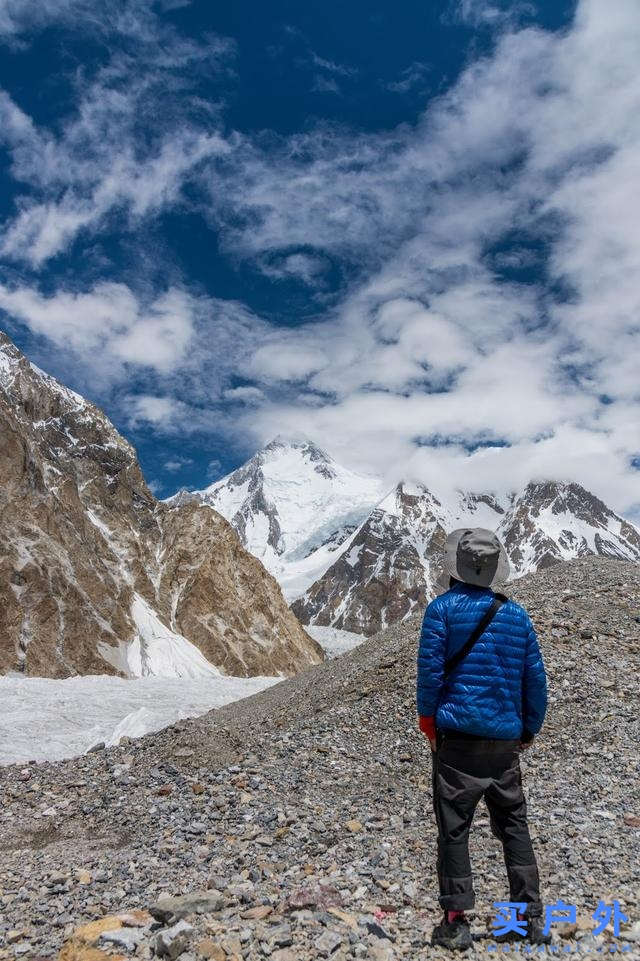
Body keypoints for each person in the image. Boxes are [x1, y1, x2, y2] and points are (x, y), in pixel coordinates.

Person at [416, 528, 549, 951]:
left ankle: (455, 923)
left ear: (456, 563)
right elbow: (535, 681)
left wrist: (428, 724)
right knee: (513, 825)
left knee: (454, 828)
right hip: (505, 742)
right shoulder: (517, 616)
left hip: (457, 739)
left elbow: (430, 676)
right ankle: (525, 919)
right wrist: (528, 730)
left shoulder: (441, 611)